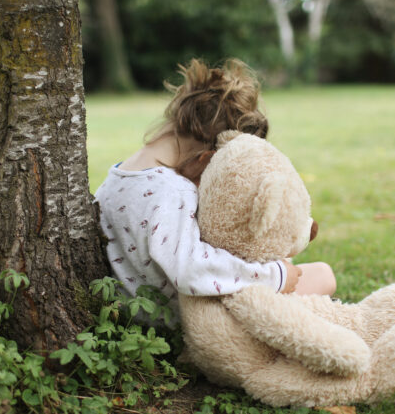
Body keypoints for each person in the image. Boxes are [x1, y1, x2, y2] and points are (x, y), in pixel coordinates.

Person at [94, 58, 335, 315]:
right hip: (187, 315)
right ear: (207, 159)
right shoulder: (173, 191)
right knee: (322, 275)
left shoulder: (116, 176)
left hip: (139, 308)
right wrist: (271, 276)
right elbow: (191, 267)